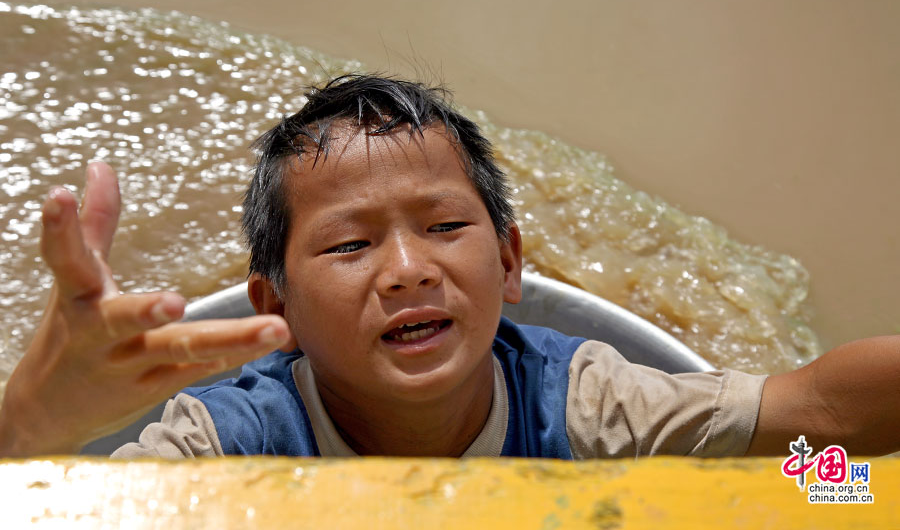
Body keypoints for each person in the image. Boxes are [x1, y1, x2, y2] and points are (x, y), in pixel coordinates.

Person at [0, 75, 897, 459]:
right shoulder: (227, 439)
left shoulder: (584, 405)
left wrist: (830, 489)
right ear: (274, 305)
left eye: (443, 227)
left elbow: (815, 414)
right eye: (350, 245)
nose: (406, 270)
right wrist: (36, 422)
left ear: (508, 263)